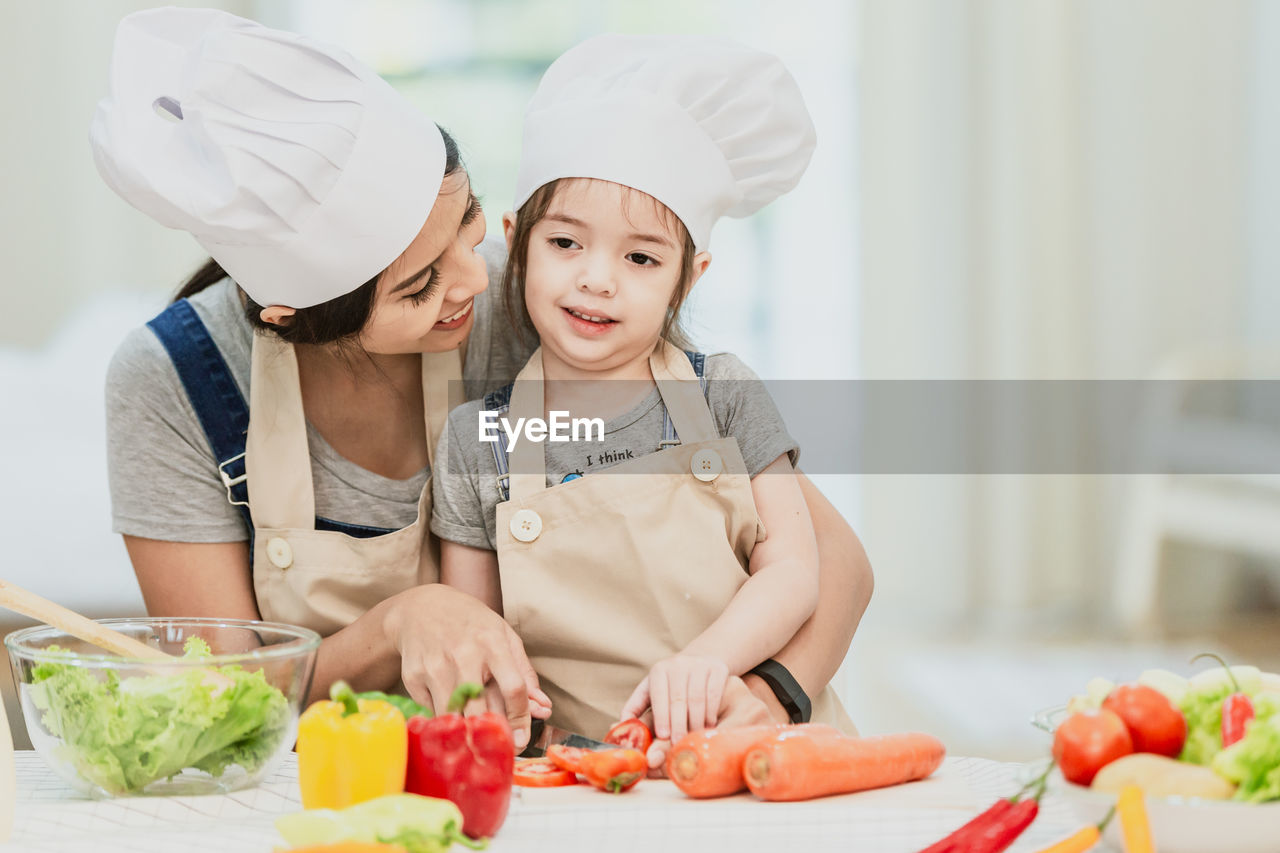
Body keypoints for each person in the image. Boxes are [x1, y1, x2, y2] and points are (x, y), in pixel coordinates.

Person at [95, 8, 872, 752]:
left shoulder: (547, 301)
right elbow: (235, 707)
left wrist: (763, 698)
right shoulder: (171, 385)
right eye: (419, 287)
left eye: (469, 221)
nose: (474, 279)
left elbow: (830, 562)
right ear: (290, 314)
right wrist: (401, 623)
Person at [432, 34, 858, 764]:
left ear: (688, 278)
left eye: (640, 257)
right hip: (584, 773)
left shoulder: (723, 393)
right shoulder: (476, 441)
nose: (598, 279)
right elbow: (478, 628)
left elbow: (795, 567)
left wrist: (712, 661)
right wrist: (514, 715)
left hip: (758, 749)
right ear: (517, 242)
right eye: (566, 243)